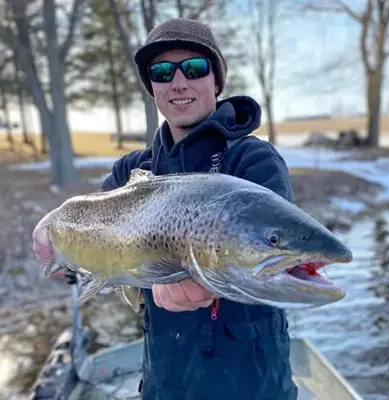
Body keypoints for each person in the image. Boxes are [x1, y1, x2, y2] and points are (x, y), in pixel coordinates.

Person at [32, 18, 298, 400]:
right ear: (152, 87)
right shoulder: (132, 170)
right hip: (164, 380)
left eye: (193, 67)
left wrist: (194, 283)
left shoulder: (253, 160)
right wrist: (53, 228)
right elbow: (90, 218)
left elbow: (270, 257)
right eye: (161, 72)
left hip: (251, 382)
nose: (178, 82)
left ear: (216, 80)